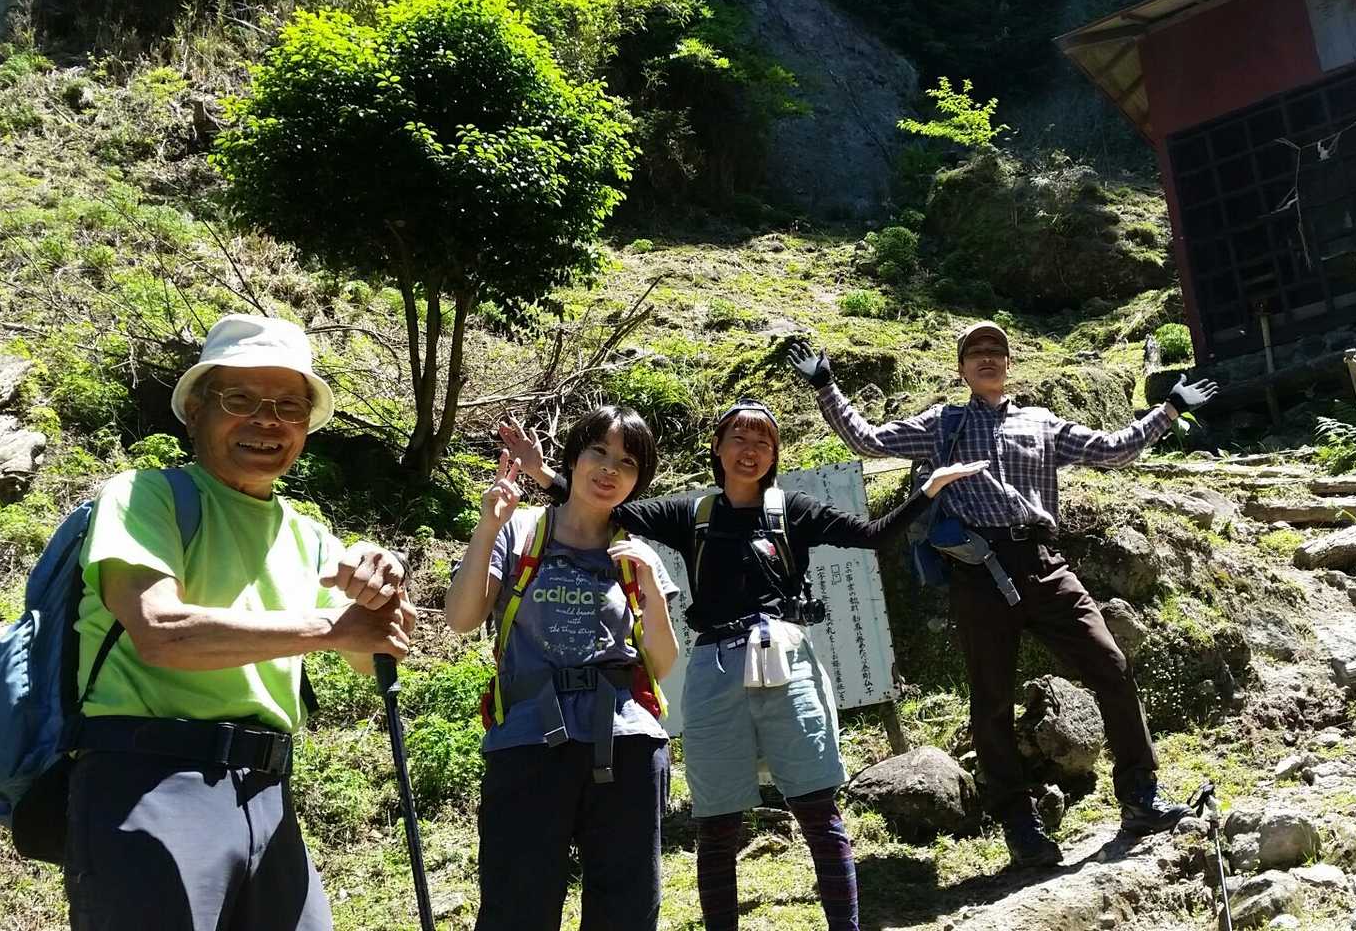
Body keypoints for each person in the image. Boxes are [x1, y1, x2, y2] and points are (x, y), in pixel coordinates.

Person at [501, 403, 988, 931]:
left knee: (818, 810)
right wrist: (541, 472)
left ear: (775, 456)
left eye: (763, 443)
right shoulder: (693, 513)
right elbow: (609, 508)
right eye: (738, 438)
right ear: (717, 447)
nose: (749, 451)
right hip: (714, 667)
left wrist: (929, 490)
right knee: (717, 823)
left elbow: (872, 535)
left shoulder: (793, 509)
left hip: (787, 661)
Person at [787, 321, 1220, 868]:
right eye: (975, 352)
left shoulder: (1041, 422)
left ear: (1009, 363)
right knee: (991, 699)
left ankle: (1140, 796)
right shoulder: (941, 424)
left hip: (1043, 563)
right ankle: (1019, 824)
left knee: (1109, 664)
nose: (987, 357)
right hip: (977, 571)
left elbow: (1113, 450)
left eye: (996, 350)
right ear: (961, 368)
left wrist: (1170, 408)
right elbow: (867, 440)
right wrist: (825, 384)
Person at [67, 313, 417, 930]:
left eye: (289, 406)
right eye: (241, 400)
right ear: (194, 410)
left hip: (268, 792)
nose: (267, 421)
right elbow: (161, 632)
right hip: (149, 777)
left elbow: (368, 656)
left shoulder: (309, 537)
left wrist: (375, 601)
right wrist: (333, 628)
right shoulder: (145, 496)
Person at [446, 406, 680, 931]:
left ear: (639, 479)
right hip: (528, 740)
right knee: (517, 908)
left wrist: (650, 588)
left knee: (626, 911)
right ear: (574, 458)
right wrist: (488, 527)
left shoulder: (637, 553)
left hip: (627, 743)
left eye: (627, 462)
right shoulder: (519, 531)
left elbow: (662, 665)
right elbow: (461, 618)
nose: (609, 468)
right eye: (599, 451)